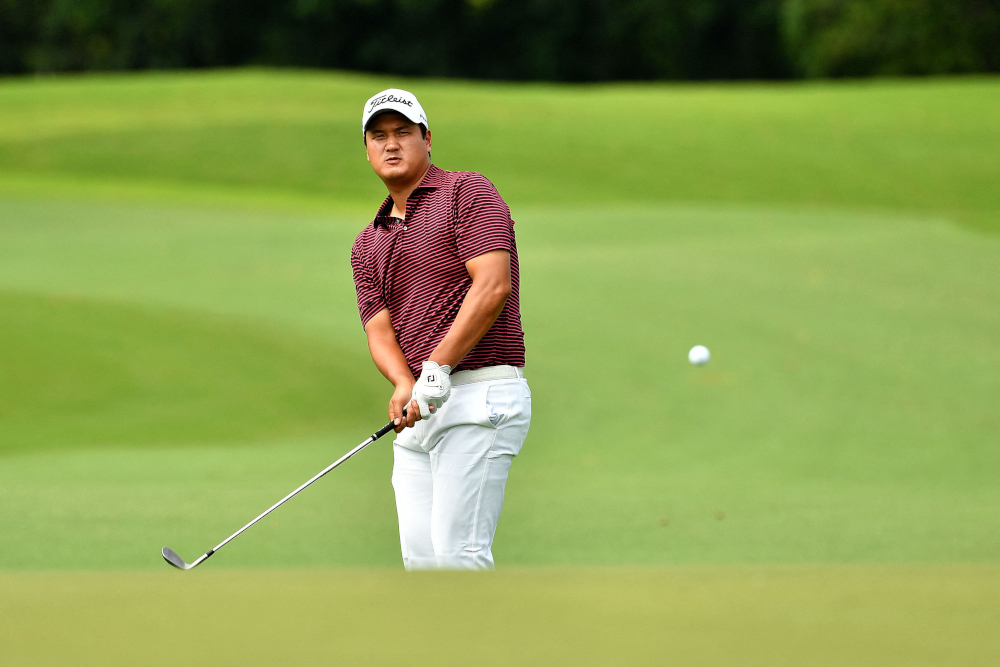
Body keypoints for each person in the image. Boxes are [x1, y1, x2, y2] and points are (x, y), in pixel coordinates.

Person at [351, 88, 531, 570]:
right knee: (424, 565)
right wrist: (403, 381)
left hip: (480, 397)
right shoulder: (367, 243)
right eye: (379, 136)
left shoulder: (466, 193)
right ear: (367, 150)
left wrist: (437, 366)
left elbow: (492, 286)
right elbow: (379, 331)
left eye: (403, 132)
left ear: (427, 139)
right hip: (420, 409)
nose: (391, 144)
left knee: (458, 558)